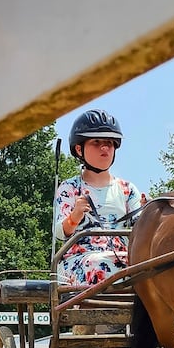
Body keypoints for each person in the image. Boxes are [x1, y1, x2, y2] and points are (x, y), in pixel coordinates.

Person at [52, 110, 147, 287]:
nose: (105, 148)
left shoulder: (127, 189)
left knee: (154, 264)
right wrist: (74, 217)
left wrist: (147, 213)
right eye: (97, 142)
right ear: (79, 149)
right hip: (80, 258)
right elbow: (59, 233)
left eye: (109, 143)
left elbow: (140, 228)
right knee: (100, 264)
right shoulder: (69, 188)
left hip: (123, 254)